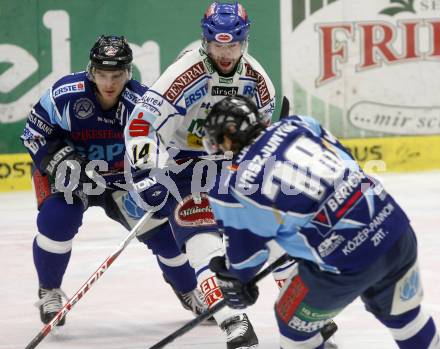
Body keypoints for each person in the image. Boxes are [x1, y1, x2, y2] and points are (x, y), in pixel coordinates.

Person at [203, 95, 440, 349]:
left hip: (345, 261)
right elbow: (348, 167)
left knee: (291, 322)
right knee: (406, 318)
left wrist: (233, 281)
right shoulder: (300, 124)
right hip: (393, 228)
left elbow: (245, 263)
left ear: (227, 137)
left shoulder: (233, 187)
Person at [20, 35, 205, 327]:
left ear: (128, 73)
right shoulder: (64, 95)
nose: (109, 83)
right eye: (102, 74)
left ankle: (189, 289)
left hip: (123, 180)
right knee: (57, 220)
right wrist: (61, 160)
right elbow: (34, 134)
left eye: (116, 75)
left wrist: (152, 173)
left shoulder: (143, 103)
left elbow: (162, 144)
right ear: (91, 71)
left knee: (166, 237)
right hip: (72, 177)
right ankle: (49, 291)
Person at [124, 2, 278, 348]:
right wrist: (148, 173)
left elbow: (261, 138)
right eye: (217, 45)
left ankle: (307, 312)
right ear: (205, 41)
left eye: (232, 45)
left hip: (228, 163)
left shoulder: (258, 82)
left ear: (245, 41)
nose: (225, 54)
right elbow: (139, 125)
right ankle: (233, 320)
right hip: (181, 166)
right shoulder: (185, 73)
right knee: (201, 244)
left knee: (277, 233)